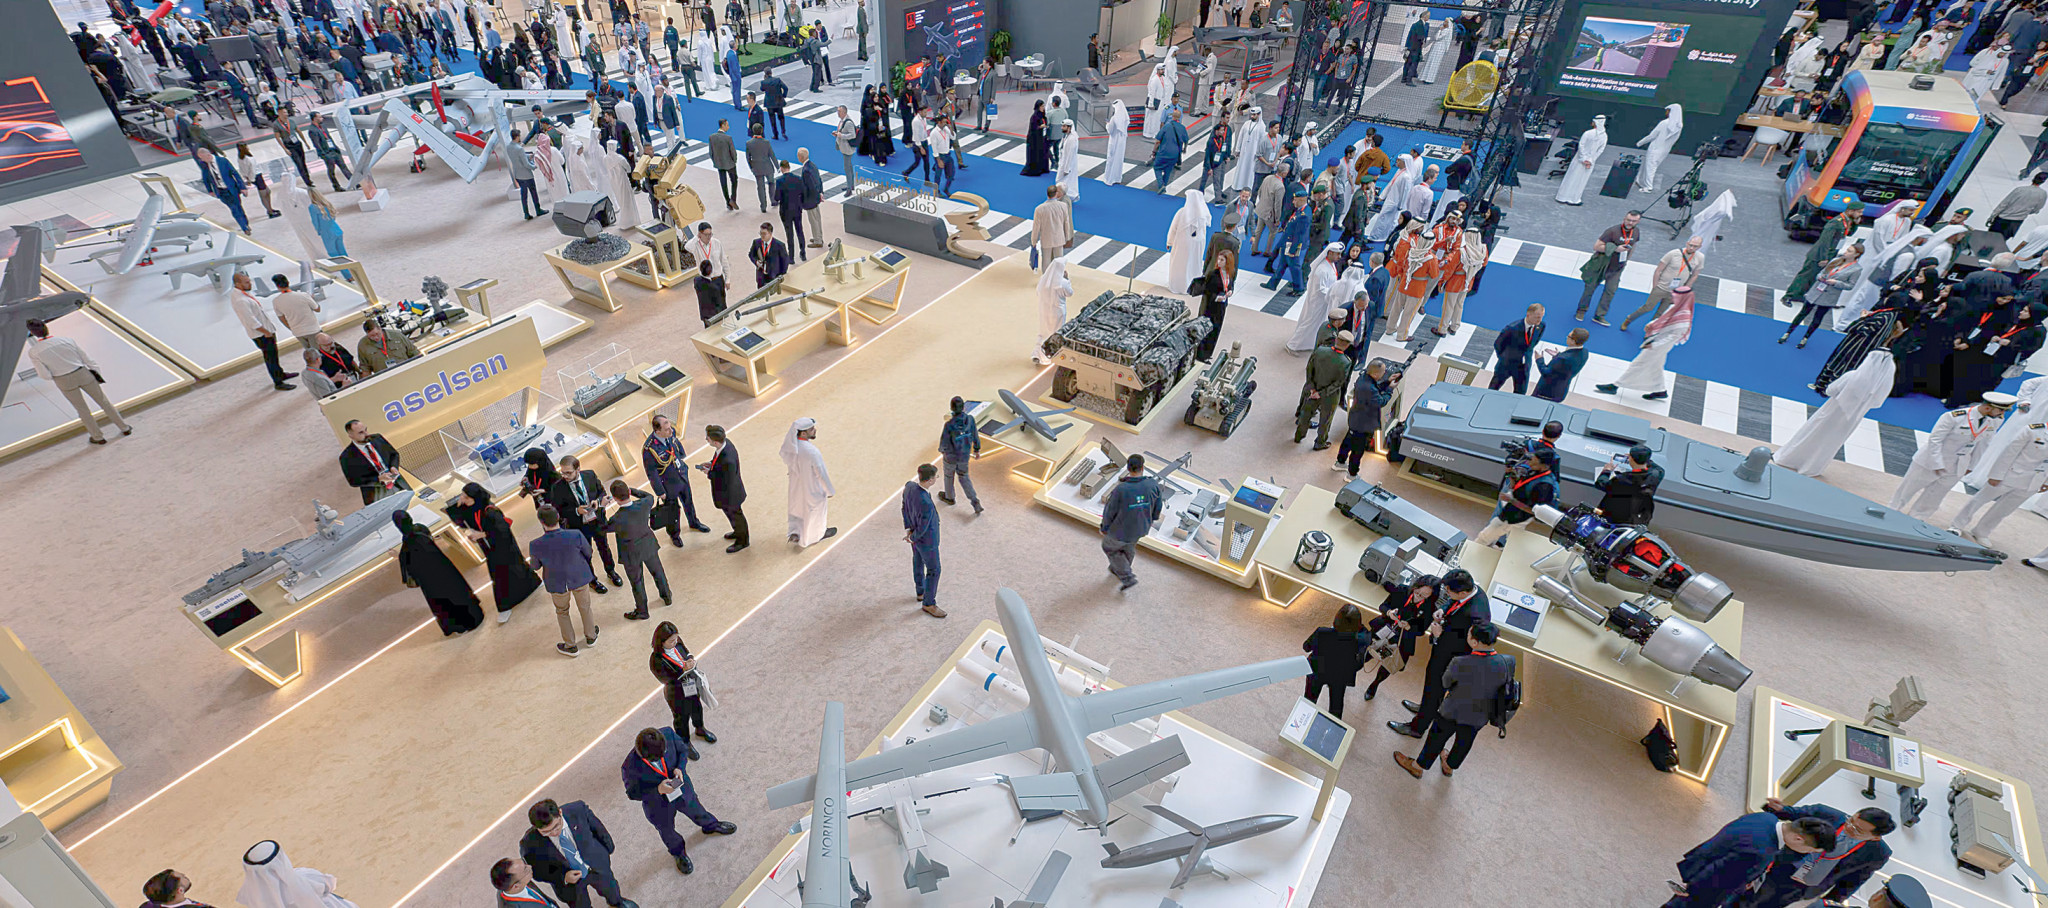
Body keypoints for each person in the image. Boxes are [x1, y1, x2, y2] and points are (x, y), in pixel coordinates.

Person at [1392, 621, 1514, 779]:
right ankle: (1449, 766)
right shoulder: (1508, 662)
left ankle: (1417, 766)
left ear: (1474, 642)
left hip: (1452, 711)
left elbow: (1446, 683)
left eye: (1469, 634)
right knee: (1464, 743)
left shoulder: (1460, 662)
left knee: (1436, 738)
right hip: (1479, 716)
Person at [619, 727, 736, 875]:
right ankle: (678, 852)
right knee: (666, 830)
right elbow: (632, 793)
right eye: (655, 759)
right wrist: (658, 790)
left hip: (681, 787)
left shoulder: (668, 734)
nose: (661, 758)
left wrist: (680, 768)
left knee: (696, 808)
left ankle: (710, 825)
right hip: (658, 804)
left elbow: (683, 751)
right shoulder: (629, 767)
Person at [1740, 800, 1896, 908]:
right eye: (1851, 820)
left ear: (1875, 837)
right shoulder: (1826, 814)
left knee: (1769, 903)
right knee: (1743, 890)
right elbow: (1793, 814)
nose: (1849, 827)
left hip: (1804, 886)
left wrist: (1831, 903)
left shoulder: (1878, 853)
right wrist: (1778, 809)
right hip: (1782, 864)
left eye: (1857, 830)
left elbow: (1853, 880)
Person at [1389, 568, 1488, 738]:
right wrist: (1443, 609)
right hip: (1442, 650)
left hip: (1450, 658)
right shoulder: (1472, 591)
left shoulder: (1476, 614)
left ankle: (1417, 728)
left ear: (1462, 592)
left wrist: (1440, 635)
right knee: (1431, 688)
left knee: (1434, 690)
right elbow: (1453, 602)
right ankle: (1425, 708)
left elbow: (1469, 643)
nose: (1446, 594)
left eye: (1449, 591)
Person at [1662, 813, 1837, 908]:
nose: (1809, 853)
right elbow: (1720, 874)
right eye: (1811, 850)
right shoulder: (1761, 853)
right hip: (1706, 888)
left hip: (1703, 860)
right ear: (1798, 839)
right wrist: (1693, 886)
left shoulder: (1766, 817)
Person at [1890, 393, 2015, 519]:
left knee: (1934, 497)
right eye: (2001, 410)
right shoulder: (1954, 417)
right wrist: (1937, 464)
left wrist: (1971, 466)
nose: (2002, 414)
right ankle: (1891, 513)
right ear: (1988, 408)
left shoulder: (1995, 420)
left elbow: (1983, 445)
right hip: (1931, 461)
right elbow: (1935, 440)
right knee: (1907, 491)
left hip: (1958, 465)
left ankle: (1917, 518)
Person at [23, 318, 131, 445]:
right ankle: (124, 427)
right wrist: (96, 372)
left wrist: (56, 374)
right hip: (82, 373)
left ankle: (97, 437)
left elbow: (44, 375)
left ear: (32, 333)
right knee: (104, 402)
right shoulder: (66, 340)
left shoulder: (34, 352)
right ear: (46, 327)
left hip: (63, 380)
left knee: (82, 410)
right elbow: (87, 359)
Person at [521, 798, 638, 908]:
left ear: (560, 813)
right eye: (546, 832)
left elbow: (598, 828)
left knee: (610, 888)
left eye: (557, 826)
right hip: (570, 884)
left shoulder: (578, 810)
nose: (554, 833)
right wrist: (563, 877)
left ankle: (617, 903)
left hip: (596, 863)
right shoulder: (529, 843)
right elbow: (537, 871)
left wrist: (608, 849)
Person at [452, 482, 541, 623]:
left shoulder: (490, 511)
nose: (463, 499)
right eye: (462, 496)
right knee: (505, 572)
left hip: (503, 547)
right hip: (490, 548)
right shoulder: (470, 508)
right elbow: (461, 520)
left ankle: (505, 606)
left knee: (505, 573)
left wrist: (482, 535)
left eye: (466, 497)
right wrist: (459, 505)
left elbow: (502, 530)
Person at [1949, 417, 2048, 541]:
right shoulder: (2032, 431)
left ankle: (1981, 531)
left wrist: (2046, 481)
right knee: (1979, 500)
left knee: (2004, 510)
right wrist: (1996, 475)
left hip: (2033, 482)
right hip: (2010, 475)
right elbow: (2009, 453)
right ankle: (1957, 525)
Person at [393, 509, 483, 637]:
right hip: (445, 571)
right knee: (457, 593)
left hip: (430, 582)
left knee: (443, 602)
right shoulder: (421, 530)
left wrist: (397, 555)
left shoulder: (406, 548)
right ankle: (473, 617)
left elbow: (411, 569)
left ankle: (458, 626)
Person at [1595, 286, 1694, 402]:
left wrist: (1654, 345)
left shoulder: (1685, 317)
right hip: (1656, 340)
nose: (1673, 298)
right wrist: (1652, 324)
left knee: (1638, 363)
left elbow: (1672, 337)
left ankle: (1615, 386)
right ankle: (1660, 390)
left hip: (1660, 345)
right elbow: (1662, 319)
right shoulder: (1674, 308)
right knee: (1656, 366)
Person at [530, 506, 600, 658]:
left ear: (541, 522)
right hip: (579, 576)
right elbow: (588, 552)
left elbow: (535, 566)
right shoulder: (575, 534)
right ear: (558, 517)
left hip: (556, 582)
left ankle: (570, 645)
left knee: (562, 612)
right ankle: (591, 636)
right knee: (585, 607)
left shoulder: (535, 544)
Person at [649, 621, 717, 757]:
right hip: (676, 693)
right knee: (682, 719)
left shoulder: (678, 642)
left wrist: (691, 660)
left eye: (676, 638)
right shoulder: (656, 659)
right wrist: (682, 671)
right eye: (671, 641)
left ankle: (700, 728)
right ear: (661, 642)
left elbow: (687, 653)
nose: (675, 642)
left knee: (697, 708)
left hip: (690, 684)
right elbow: (665, 680)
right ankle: (684, 742)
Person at [1364, 574, 1436, 701]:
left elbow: (1421, 630)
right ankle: (1351, 670)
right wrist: (1389, 613)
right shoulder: (1402, 590)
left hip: (1403, 638)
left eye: (1425, 595)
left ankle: (1374, 685)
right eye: (1418, 591)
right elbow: (1383, 606)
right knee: (1367, 651)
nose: (1419, 596)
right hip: (1386, 627)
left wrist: (1409, 627)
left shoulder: (1430, 608)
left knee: (1388, 665)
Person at [1099, 454, 1164, 591]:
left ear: (1128, 468)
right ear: (1143, 468)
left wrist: (1104, 527)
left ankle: (1127, 577)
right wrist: (1151, 519)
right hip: (1141, 528)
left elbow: (1110, 511)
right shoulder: (1153, 485)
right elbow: (1158, 506)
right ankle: (1118, 568)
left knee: (1109, 547)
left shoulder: (1121, 489)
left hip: (1121, 530)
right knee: (1129, 547)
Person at [1781, 243, 1864, 348]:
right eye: (1847, 250)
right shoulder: (1836, 260)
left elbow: (1850, 286)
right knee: (1802, 313)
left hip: (1829, 296)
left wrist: (1835, 283)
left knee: (1817, 318)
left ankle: (1805, 338)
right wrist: (1820, 277)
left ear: (1856, 254)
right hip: (1816, 291)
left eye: (1849, 251)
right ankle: (1788, 332)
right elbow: (1821, 272)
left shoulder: (1856, 269)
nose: (1846, 252)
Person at [1476, 444, 1559, 546]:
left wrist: (1511, 500)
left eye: (1534, 460)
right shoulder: (1535, 472)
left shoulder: (1544, 486)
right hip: (1515, 513)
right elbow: (1516, 487)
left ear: (1544, 465)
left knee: (1484, 538)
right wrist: (1510, 475)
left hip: (1515, 517)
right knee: (1512, 541)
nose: (1529, 462)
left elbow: (1535, 510)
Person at [1784, 203, 1864, 305]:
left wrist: (1856, 224)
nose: (1861, 214)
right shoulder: (1835, 222)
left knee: (1813, 277)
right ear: (1851, 211)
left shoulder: (1847, 221)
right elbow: (1824, 241)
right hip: (1819, 254)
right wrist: (1824, 257)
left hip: (1831, 253)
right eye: (1859, 212)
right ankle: (1789, 296)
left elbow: (1849, 234)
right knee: (1805, 276)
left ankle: (1799, 295)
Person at [1621, 236, 1704, 332]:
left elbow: (1695, 275)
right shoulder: (1673, 254)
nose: (1692, 248)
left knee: (1661, 313)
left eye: (1695, 246)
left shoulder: (1700, 258)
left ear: (1700, 247)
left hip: (1675, 292)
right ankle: (1629, 319)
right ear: (1687, 243)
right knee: (1647, 307)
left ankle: (1651, 330)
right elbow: (1658, 270)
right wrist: (1655, 286)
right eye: (1691, 245)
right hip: (1661, 287)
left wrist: (1685, 290)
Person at [231, 272, 297, 391]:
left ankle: (280, 373)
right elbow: (251, 321)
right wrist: (266, 332)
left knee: (274, 356)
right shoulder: (240, 301)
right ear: (238, 284)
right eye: (246, 282)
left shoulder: (244, 294)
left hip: (266, 331)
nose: (250, 284)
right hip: (262, 334)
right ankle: (278, 382)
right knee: (270, 358)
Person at [1302, 604, 1367, 719]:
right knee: (1336, 708)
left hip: (1317, 669)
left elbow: (1306, 647)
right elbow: (1358, 665)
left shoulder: (1322, 632)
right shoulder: (1358, 642)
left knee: (1309, 699)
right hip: (1339, 676)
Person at [778, 417, 836, 546]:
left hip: (796, 486)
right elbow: (821, 473)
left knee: (798, 509)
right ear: (803, 433)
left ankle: (796, 532)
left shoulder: (792, 447)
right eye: (811, 429)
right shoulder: (812, 452)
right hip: (811, 487)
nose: (815, 430)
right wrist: (829, 491)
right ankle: (816, 535)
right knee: (815, 513)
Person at [1575, 210, 1640, 324]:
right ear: (1624, 219)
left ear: (1638, 221)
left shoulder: (1636, 232)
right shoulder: (1612, 231)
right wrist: (1615, 249)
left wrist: (1626, 260)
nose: (1630, 223)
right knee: (1589, 289)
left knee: (1610, 292)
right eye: (1628, 220)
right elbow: (1596, 246)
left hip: (1616, 268)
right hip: (1601, 266)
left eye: (1633, 221)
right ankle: (1581, 310)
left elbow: (1633, 245)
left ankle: (1599, 315)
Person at [1293, 331, 1352, 450]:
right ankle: (1320, 442)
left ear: (1336, 340)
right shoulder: (1346, 362)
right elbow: (1338, 383)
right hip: (1330, 396)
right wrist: (1321, 394)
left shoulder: (1320, 351)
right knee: (1325, 420)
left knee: (1306, 415)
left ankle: (1299, 436)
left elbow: (1309, 369)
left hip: (1313, 390)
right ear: (1347, 345)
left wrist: (1312, 388)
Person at [902, 462, 946, 617]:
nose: (936, 479)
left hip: (914, 536)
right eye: (936, 477)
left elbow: (904, 508)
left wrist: (909, 531)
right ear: (930, 480)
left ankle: (920, 591)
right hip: (927, 541)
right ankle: (929, 603)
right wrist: (913, 537)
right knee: (934, 570)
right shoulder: (926, 503)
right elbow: (924, 526)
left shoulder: (909, 486)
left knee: (918, 561)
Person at [1335, 361, 1392, 478]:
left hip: (1355, 419)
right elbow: (1380, 402)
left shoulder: (1363, 378)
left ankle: (1340, 462)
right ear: (1375, 374)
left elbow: (1375, 389)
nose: (1385, 373)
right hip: (1363, 424)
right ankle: (1351, 474)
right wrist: (1390, 390)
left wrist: (1387, 382)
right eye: (1383, 372)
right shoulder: (1369, 389)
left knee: (1348, 442)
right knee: (1357, 450)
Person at [697, 425, 748, 552]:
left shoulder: (728, 460)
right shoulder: (726, 444)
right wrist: (712, 463)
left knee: (736, 516)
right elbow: (719, 462)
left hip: (730, 495)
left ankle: (743, 541)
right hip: (729, 493)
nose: (706, 439)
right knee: (732, 515)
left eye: (708, 438)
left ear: (715, 442)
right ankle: (738, 532)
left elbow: (724, 479)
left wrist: (709, 472)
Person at [338, 419, 406, 505]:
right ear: (351, 435)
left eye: (366, 430)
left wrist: (393, 467)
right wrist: (378, 479)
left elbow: (394, 454)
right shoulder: (346, 457)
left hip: (397, 481)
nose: (366, 434)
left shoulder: (377, 438)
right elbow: (353, 481)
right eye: (361, 433)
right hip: (375, 491)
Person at [1595, 444, 1663, 525]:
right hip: (1637, 519)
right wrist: (1643, 458)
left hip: (1615, 519)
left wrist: (1606, 471)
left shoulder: (1623, 479)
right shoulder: (1655, 476)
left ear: (1631, 459)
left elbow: (1601, 484)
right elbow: (1659, 469)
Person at [1489, 304, 1545, 394]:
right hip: (1506, 365)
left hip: (1524, 366)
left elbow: (1533, 342)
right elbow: (1498, 344)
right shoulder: (1512, 328)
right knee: (1492, 389)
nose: (1540, 320)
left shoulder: (1541, 326)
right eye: (1537, 317)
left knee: (1520, 394)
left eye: (1541, 317)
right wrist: (1504, 358)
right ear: (1528, 315)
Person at [194, 147, 252, 234]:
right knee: (234, 209)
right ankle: (244, 227)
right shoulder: (204, 165)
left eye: (202, 158)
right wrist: (210, 190)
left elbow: (235, 173)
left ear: (208, 155)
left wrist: (242, 187)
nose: (201, 160)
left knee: (238, 207)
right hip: (221, 191)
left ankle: (245, 224)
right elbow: (206, 179)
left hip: (231, 189)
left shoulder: (223, 161)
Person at [1556, 116, 1607, 207]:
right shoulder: (1604, 136)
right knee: (1580, 181)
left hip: (1580, 160)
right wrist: (1590, 160)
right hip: (1589, 162)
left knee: (1572, 178)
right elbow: (1600, 150)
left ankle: (1563, 197)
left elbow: (1581, 146)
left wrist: (1584, 159)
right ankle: (1573, 199)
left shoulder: (1588, 133)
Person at [1196, 248, 1237, 361]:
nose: (1219, 262)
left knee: (1216, 329)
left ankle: (1208, 354)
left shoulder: (1230, 274)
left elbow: (1230, 285)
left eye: (1222, 260)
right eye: (1219, 259)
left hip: (1221, 306)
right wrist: (1216, 297)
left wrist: (1230, 291)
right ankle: (1201, 354)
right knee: (1207, 330)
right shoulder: (1213, 274)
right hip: (1211, 306)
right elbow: (1207, 291)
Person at [1635, 104, 1684, 193]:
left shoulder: (1664, 123)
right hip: (1664, 151)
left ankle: (1648, 187)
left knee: (1650, 168)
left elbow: (1652, 136)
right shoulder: (1679, 126)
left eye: (1668, 110)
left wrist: (1640, 143)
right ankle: (1640, 181)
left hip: (1655, 149)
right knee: (1649, 166)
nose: (1666, 112)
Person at [1035, 253, 1074, 365]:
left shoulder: (1044, 279)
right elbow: (1070, 293)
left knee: (1043, 332)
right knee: (1055, 333)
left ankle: (1038, 354)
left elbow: (1038, 291)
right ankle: (1051, 356)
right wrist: (1067, 279)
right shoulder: (1062, 282)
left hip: (1044, 309)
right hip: (1057, 312)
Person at [1532, 328, 1589, 403]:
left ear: (1573, 341)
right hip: (1561, 390)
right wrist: (1558, 355)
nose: (1566, 338)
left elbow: (1546, 373)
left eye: (1568, 336)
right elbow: (1565, 367)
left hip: (1547, 392)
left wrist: (1539, 360)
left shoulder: (1563, 359)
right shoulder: (1585, 353)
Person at [268, 274, 321, 350]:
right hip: (313, 329)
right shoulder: (303, 295)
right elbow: (317, 309)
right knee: (320, 350)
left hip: (298, 332)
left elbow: (282, 318)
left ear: (277, 286)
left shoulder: (276, 301)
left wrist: (292, 328)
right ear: (288, 282)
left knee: (310, 352)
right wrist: (312, 299)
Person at [688, 224, 729, 323]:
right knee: (707, 312)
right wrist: (696, 238)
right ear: (700, 234)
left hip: (717, 279)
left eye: (710, 234)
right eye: (706, 235)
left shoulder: (716, 243)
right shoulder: (695, 245)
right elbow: (687, 247)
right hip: (704, 281)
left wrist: (727, 279)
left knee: (722, 309)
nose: (708, 237)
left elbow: (724, 261)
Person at [1988, 171, 2048, 239]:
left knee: (1990, 238)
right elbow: (2037, 209)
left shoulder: (2019, 190)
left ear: (2033, 179)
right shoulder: (2043, 194)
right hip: (2017, 222)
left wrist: (1992, 216)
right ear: (2043, 182)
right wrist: (2025, 212)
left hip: (2003, 218)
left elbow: (2004, 204)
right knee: (2002, 240)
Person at [1031, 185, 1073, 272]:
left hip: (1046, 238)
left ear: (1047, 194)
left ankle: (1046, 279)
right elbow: (1066, 223)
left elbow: (1036, 227)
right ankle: (1058, 277)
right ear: (1056, 193)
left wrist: (1034, 241)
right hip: (1059, 238)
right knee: (1059, 261)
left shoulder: (1039, 209)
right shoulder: (1063, 206)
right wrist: (1067, 237)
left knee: (1046, 261)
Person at [771, 159, 808, 256]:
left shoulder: (780, 181)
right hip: (797, 209)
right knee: (799, 230)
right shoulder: (798, 179)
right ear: (789, 167)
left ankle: (791, 256)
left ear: (781, 168)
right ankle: (803, 252)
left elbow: (777, 197)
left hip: (785, 210)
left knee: (789, 233)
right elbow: (803, 192)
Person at [1153, 108, 1190, 191]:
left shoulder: (1166, 126)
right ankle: (1164, 185)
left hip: (1164, 152)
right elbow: (1186, 140)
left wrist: (1154, 151)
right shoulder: (1182, 128)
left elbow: (1158, 141)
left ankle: (1161, 185)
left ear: (1172, 116)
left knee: (1157, 167)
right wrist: (1184, 149)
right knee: (1168, 170)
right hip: (1175, 154)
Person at [707, 120, 740, 211]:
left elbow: (711, 152)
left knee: (723, 182)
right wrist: (734, 161)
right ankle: (733, 199)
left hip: (719, 163)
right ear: (723, 125)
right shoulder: (728, 138)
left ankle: (727, 202)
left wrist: (715, 161)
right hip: (730, 163)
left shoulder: (712, 137)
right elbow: (733, 152)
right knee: (734, 181)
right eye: (727, 125)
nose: (728, 127)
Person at [748, 222, 789, 289]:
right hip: (761, 277)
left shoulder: (779, 245)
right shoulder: (756, 242)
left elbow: (785, 262)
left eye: (764, 234)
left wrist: (780, 276)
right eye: (761, 233)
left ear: (770, 233)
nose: (762, 236)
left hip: (774, 277)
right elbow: (751, 254)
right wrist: (756, 262)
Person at [797, 148, 824, 247]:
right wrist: (820, 192)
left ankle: (818, 240)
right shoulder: (813, 165)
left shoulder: (806, 170)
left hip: (811, 199)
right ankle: (819, 236)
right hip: (816, 197)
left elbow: (809, 187)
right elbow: (819, 180)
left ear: (800, 157)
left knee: (813, 220)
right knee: (817, 219)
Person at [759, 66, 788, 139]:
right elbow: (785, 88)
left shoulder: (764, 82)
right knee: (781, 117)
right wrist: (783, 96)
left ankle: (775, 134)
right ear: (771, 73)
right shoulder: (777, 80)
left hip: (770, 103)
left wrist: (765, 80)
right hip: (778, 101)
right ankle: (783, 131)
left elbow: (762, 89)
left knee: (772, 119)